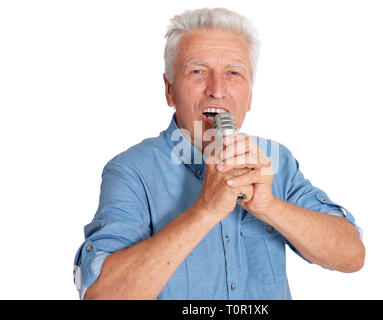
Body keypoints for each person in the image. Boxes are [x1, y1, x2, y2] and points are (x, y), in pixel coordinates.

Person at [73, 7, 365, 300]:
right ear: (169, 89)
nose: (217, 89)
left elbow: (352, 255)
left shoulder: (276, 161)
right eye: (197, 71)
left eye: (234, 73)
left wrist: (269, 206)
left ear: (249, 96)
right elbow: (101, 295)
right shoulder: (131, 171)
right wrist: (205, 210)